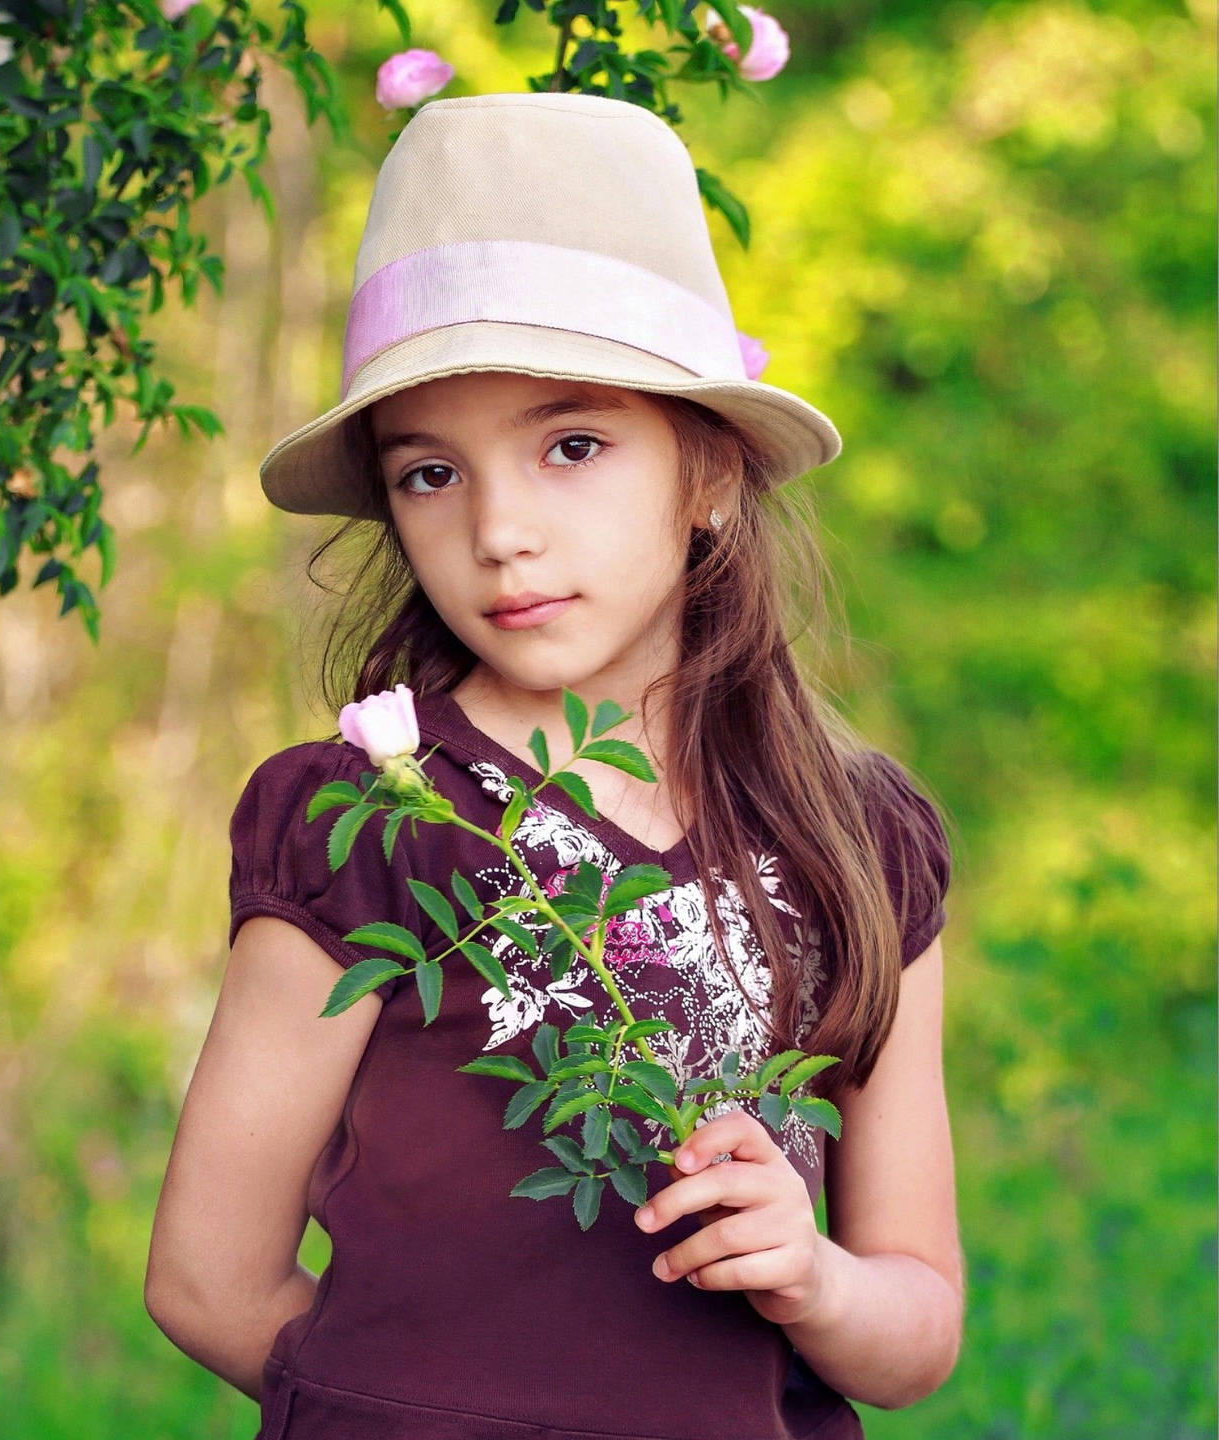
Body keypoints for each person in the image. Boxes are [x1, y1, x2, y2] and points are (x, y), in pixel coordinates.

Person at [144, 92, 962, 1440]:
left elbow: (916, 1324)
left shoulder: (856, 839)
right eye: (428, 474)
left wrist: (811, 1277)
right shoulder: (365, 818)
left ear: (707, 472)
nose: (500, 530)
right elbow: (208, 1276)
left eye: (571, 446)